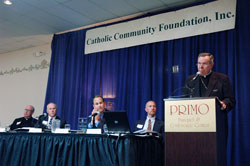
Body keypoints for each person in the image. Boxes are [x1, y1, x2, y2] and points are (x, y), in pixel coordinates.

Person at [184, 52, 236, 166]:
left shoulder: (222, 79)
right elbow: (184, 100)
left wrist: (224, 103)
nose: (200, 67)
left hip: (216, 126)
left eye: (204, 64)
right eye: (198, 63)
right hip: (194, 125)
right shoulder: (191, 80)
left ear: (212, 64)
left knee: (215, 158)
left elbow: (231, 100)